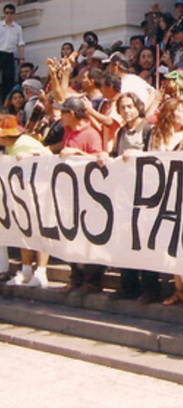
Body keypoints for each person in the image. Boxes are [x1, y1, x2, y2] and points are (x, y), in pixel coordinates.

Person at [100, 92, 160, 304]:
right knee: (125, 238)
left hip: (146, 193)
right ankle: (128, 285)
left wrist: (138, 156)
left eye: (129, 106)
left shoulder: (150, 130)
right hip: (124, 193)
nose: (126, 111)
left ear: (138, 107)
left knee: (144, 239)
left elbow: (157, 158)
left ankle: (151, 288)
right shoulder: (120, 133)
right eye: (122, 107)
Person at [148, 97, 183, 307]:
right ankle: (178, 288)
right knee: (170, 239)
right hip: (165, 192)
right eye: (180, 111)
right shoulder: (157, 135)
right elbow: (154, 159)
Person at [56, 96, 104, 295]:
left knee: (89, 238)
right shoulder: (68, 131)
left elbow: (99, 159)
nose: (60, 117)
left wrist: (77, 154)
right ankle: (75, 276)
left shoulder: (91, 134)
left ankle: (92, 280)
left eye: (64, 113)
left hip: (88, 193)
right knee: (71, 235)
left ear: (73, 114)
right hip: (69, 192)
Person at [0, 114, 52, 288]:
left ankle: (41, 271)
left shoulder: (25, 144)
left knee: (40, 232)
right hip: (22, 196)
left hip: (40, 194)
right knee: (24, 231)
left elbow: (48, 157)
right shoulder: (10, 147)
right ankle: (26, 270)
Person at [0, 4, 25, 102]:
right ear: (4, 14)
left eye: (11, 13)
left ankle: (5, 101)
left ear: (14, 14)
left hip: (9, 54)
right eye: (7, 13)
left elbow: (21, 43)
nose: (9, 15)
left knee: (8, 79)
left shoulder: (18, 28)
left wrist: (22, 58)